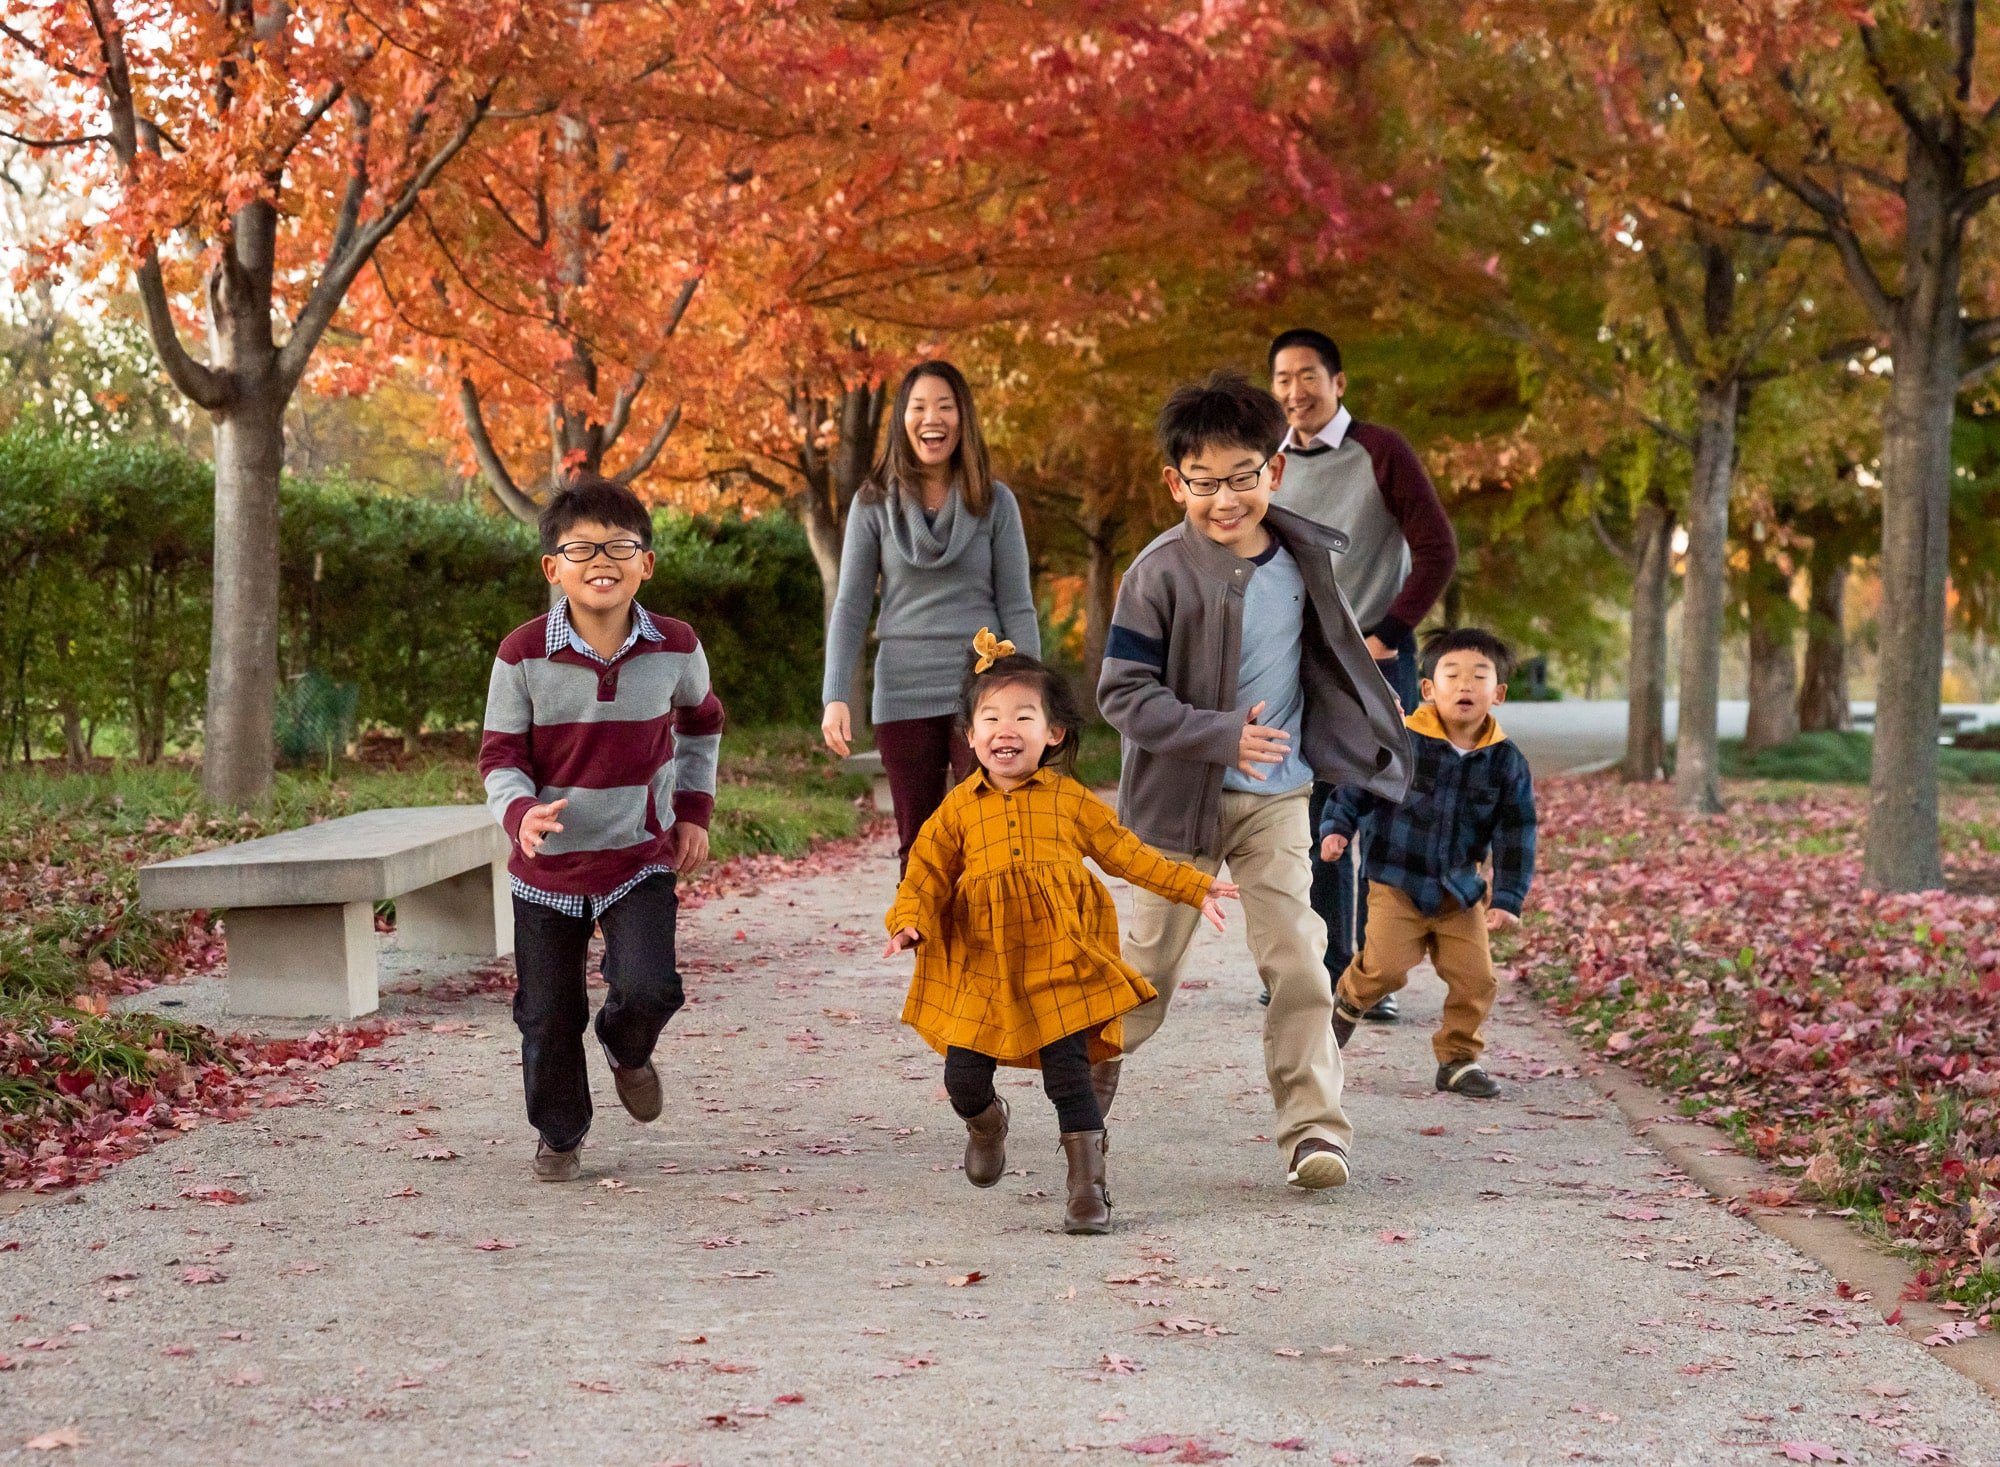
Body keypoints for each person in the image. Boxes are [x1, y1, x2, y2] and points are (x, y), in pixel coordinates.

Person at [1096, 372, 1410, 1191]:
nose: (1226, 498)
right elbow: (1120, 694)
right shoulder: (1156, 573)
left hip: (1279, 796)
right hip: (1174, 808)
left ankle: (1314, 1132)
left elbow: (1330, 659)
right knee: (1143, 980)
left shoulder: (1304, 555)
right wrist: (1222, 733)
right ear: (1176, 483)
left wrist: (1360, 745)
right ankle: (1079, 1094)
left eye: (1244, 477)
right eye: (1205, 483)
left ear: (1275, 471)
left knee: (1301, 960)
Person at [883, 633, 1235, 1234]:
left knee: (1068, 1075)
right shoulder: (958, 808)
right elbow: (925, 871)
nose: (1006, 728)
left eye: (1024, 715)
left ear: (1053, 734)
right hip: (983, 965)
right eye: (990, 717)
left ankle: (1087, 1187)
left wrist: (1190, 885)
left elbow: (1126, 854)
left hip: (1059, 962)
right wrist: (907, 920)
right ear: (970, 736)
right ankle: (987, 1121)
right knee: (963, 1078)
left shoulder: (1070, 802)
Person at [479, 475, 725, 1182]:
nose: (601, 560)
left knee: (650, 985)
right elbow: (500, 753)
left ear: (646, 562)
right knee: (548, 1013)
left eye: (620, 545)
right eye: (580, 547)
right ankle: (560, 1132)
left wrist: (693, 813)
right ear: (552, 568)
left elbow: (702, 723)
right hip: (548, 866)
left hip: (637, 854)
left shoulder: (675, 646)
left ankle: (625, 1042)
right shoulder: (521, 653)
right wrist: (521, 813)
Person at [1268, 327, 1460, 1028]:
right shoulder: (1270, 462)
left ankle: (1374, 973)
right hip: (1296, 661)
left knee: (1378, 809)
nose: (1296, 391)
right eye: (1283, 379)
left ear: (1338, 381)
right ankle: (1325, 965)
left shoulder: (1382, 452)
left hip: (1376, 659)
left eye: (1309, 375)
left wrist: (1390, 631)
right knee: (1312, 817)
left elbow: (1437, 548)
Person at [821, 360, 1041, 871]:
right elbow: (851, 606)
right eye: (918, 407)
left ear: (963, 418)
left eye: (945, 406)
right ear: (902, 420)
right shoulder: (872, 504)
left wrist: (1034, 697)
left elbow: (1017, 605)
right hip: (902, 691)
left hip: (984, 693)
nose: (931, 418)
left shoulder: (995, 502)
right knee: (920, 847)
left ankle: (987, 951)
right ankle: (931, 951)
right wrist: (836, 696)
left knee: (987, 841)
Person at [1318, 628, 1537, 1100]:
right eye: (1452, 674)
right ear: (1428, 689)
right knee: (1386, 969)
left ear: (1497, 694)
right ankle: (1349, 1000)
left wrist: (1508, 897)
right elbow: (1356, 787)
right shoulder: (1403, 742)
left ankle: (1458, 1059)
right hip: (1396, 880)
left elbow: (1516, 832)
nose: (1465, 685)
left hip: (1459, 891)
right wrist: (1337, 828)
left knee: (1476, 979)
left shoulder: (1506, 762)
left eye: (1479, 677)